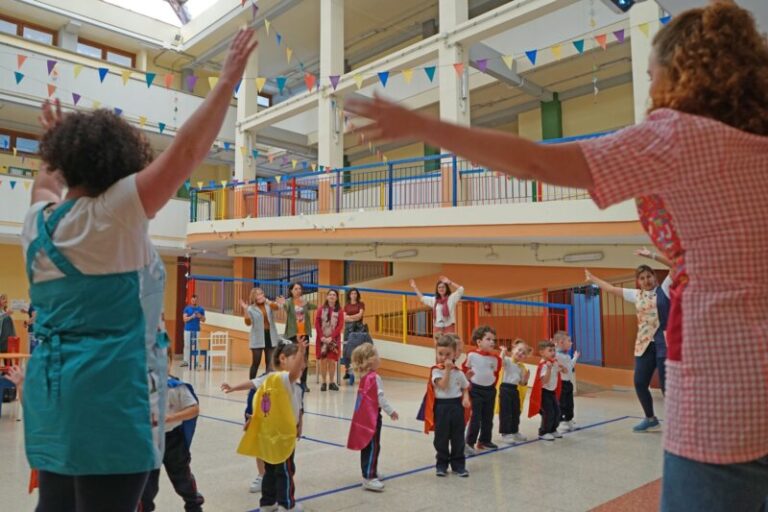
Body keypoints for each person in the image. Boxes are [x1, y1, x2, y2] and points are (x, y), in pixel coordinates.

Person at [348, 4, 768, 508]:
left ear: (678, 74)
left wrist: (422, 125)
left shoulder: (677, 136)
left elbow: (534, 159)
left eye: (653, 74)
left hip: (723, 396)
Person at [20, 29, 258, 511]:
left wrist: (54, 144)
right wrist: (228, 80)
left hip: (50, 400)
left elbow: (44, 184)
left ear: (66, 164)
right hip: (109, 402)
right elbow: (186, 152)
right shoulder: (116, 214)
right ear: (120, 168)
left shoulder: (36, 223)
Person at [586, 248, 671, 433]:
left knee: (668, 388)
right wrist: (593, 279)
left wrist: (652, 256)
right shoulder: (636, 295)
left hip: (666, 345)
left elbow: (676, 265)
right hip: (644, 344)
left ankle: (677, 422)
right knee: (640, 383)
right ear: (638, 282)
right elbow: (610, 289)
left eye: (649, 276)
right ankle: (650, 418)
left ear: (655, 277)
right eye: (642, 278)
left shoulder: (665, 290)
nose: (646, 280)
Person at [221, 339, 307, 512]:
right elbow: (253, 383)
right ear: (283, 359)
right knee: (285, 470)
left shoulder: (290, 384)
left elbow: (299, 407)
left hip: (280, 432)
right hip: (279, 434)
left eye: (303, 362)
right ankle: (286, 504)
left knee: (271, 469)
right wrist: (301, 352)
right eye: (297, 359)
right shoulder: (280, 378)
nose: (302, 364)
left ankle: (268, 503)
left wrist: (300, 425)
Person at [140, 351, 204, 512]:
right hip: (148, 441)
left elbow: (194, 409)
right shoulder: (140, 387)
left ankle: (193, 504)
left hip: (172, 440)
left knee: (182, 478)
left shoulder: (177, 387)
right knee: (146, 485)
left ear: (169, 363)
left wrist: (172, 417)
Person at [346, 343, 399, 492]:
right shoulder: (374, 377)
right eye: (377, 355)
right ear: (370, 360)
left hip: (365, 418)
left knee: (369, 446)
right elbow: (379, 398)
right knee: (373, 446)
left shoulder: (365, 377)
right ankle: (369, 477)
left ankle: (372, 471)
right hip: (372, 418)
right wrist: (391, 411)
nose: (379, 358)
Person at [423, 334, 471, 477]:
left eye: (448, 354)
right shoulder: (436, 370)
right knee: (441, 438)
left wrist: (466, 398)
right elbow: (443, 385)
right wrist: (448, 370)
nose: (444, 357)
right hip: (441, 407)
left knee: (458, 437)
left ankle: (458, 465)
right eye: (440, 354)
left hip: (456, 406)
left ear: (455, 353)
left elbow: (465, 387)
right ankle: (441, 464)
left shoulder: (459, 372)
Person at [462, 326, 502, 454]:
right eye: (488, 339)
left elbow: (495, 374)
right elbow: (464, 370)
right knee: (476, 418)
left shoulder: (495, 359)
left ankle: (484, 441)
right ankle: (469, 443)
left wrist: (492, 387)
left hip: (489, 391)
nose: (492, 342)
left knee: (488, 418)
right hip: (476, 390)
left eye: (493, 340)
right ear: (479, 342)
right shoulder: (472, 355)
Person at [240, 287, 284, 379]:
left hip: (270, 336)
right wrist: (245, 310)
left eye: (261, 294)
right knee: (256, 363)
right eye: (257, 295)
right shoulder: (251, 308)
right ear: (254, 297)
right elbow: (248, 323)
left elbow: (276, 308)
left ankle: (267, 385)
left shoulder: (269, 304)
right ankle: (251, 385)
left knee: (270, 363)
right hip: (257, 338)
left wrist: (267, 301)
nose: (260, 296)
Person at [281, 282, 317, 392]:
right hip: (293, 334)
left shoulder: (304, 302)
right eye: (295, 288)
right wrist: (283, 303)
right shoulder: (288, 302)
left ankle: (303, 383)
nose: (298, 290)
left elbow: (316, 307)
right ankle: (291, 381)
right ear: (291, 291)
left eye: (299, 288)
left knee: (304, 359)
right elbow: (286, 308)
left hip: (304, 334)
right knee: (292, 359)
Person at [528, 341, 566, 441]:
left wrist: (562, 368)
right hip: (544, 393)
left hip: (552, 392)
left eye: (554, 350)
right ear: (542, 353)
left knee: (557, 412)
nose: (553, 352)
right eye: (550, 350)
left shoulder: (553, 362)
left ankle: (553, 429)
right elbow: (544, 381)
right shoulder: (544, 365)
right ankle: (543, 431)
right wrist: (549, 369)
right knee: (548, 412)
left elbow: (562, 371)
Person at [410, 276, 463, 341]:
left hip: (449, 326)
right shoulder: (434, 300)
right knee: (438, 345)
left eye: (443, 287)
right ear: (437, 289)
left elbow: (461, 289)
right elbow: (422, 298)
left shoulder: (451, 298)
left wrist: (450, 282)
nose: (441, 289)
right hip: (437, 327)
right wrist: (414, 287)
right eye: (439, 287)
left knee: (449, 345)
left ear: (446, 288)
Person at [499, 339, 529, 444]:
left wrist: (525, 379)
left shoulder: (521, 368)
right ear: (513, 350)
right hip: (505, 389)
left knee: (516, 411)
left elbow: (521, 383)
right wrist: (503, 352)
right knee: (506, 412)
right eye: (519, 350)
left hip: (514, 390)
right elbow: (501, 362)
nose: (520, 353)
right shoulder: (507, 361)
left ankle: (514, 431)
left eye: (524, 353)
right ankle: (505, 433)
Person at [315, 289, 344, 391]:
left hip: (334, 340)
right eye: (330, 295)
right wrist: (322, 336)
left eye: (334, 295)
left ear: (336, 298)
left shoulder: (340, 311)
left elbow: (340, 325)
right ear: (327, 297)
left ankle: (331, 382)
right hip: (322, 339)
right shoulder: (321, 309)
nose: (332, 296)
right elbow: (317, 323)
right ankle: (324, 382)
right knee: (323, 361)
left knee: (332, 361)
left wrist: (331, 337)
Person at [342, 288, 365, 385]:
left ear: (357, 295)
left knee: (359, 350)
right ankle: (347, 371)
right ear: (349, 295)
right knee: (347, 349)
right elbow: (344, 318)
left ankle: (360, 372)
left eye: (355, 293)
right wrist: (353, 318)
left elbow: (360, 316)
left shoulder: (361, 304)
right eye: (352, 293)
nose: (354, 295)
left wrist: (350, 317)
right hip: (348, 329)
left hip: (358, 329)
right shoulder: (346, 306)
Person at [182, 295, 206, 368]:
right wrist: (191, 317)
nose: (194, 301)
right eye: (192, 300)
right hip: (188, 330)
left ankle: (197, 362)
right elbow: (184, 319)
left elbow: (204, 320)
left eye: (195, 300)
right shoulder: (187, 308)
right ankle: (186, 361)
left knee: (197, 346)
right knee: (187, 345)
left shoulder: (201, 309)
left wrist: (200, 316)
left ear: (197, 300)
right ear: (191, 300)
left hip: (197, 330)